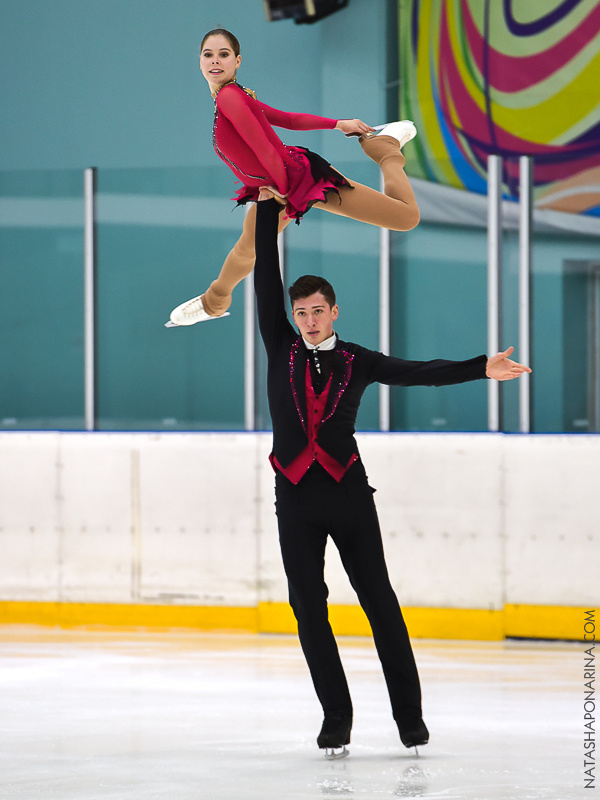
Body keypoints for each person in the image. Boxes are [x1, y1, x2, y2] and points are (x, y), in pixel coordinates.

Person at [252, 192, 531, 759]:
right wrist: (263, 210)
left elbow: (421, 373)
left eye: (316, 311)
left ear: (334, 312)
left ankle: (410, 719)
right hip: (295, 498)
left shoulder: (358, 359)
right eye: (299, 311)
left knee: (379, 601)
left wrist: (481, 368)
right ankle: (336, 718)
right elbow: (263, 273)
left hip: (350, 496)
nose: (307, 321)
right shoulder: (278, 343)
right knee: (308, 607)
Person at [166, 28, 420, 327]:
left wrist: (285, 192)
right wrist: (337, 123)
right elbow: (286, 119)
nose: (215, 61)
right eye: (208, 55)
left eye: (224, 54)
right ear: (199, 61)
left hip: (299, 182)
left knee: (405, 217)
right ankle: (214, 302)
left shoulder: (230, 98)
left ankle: (385, 148)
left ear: (237, 61)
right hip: (275, 187)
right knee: (248, 247)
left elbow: (264, 147)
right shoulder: (234, 96)